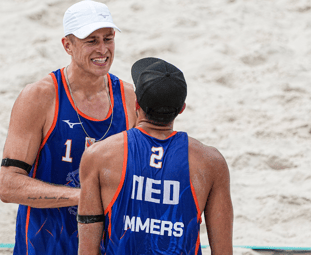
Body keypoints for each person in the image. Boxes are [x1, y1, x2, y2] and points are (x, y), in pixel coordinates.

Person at [0, 0, 137, 254]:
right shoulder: (39, 97)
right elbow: (8, 186)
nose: (103, 49)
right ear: (68, 45)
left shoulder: (129, 98)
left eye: (108, 38)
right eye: (91, 41)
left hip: (108, 245)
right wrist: (84, 197)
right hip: (45, 244)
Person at [78, 57, 233, 255]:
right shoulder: (211, 162)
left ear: (136, 104)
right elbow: (223, 251)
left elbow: (87, 250)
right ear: (182, 109)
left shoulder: (98, 156)